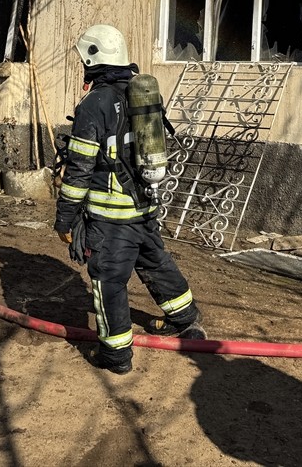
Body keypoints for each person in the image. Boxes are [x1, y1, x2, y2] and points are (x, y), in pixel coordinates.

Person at [53, 24, 205, 375]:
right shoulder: (140, 94)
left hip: (111, 218)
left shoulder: (95, 104)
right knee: (155, 262)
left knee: (108, 280)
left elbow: (79, 169)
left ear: (93, 59)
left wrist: (65, 218)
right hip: (144, 207)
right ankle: (186, 319)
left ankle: (116, 355)